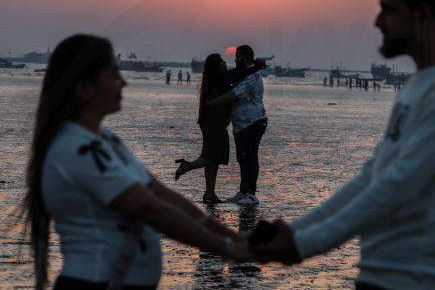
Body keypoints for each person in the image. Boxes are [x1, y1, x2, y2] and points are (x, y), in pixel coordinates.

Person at [248, 0, 435, 290]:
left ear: (421, 14)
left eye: (389, 10)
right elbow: (372, 176)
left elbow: (397, 185)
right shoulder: (419, 84)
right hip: (380, 276)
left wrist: (304, 246)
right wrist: (296, 230)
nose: (378, 21)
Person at [21, 34, 252, 290]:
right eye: (113, 75)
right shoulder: (78, 148)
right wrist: (231, 249)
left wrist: (237, 240)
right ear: (84, 87)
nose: (123, 82)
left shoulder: (107, 141)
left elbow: (165, 196)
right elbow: (152, 209)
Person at [174, 53, 266, 203]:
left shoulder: (216, 78)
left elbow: (237, 73)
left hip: (212, 123)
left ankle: (210, 193)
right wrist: (255, 66)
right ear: (216, 66)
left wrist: (253, 65)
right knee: (212, 157)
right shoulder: (220, 78)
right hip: (214, 124)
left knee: (213, 157)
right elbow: (238, 74)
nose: (225, 63)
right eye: (222, 61)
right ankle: (188, 166)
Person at [208, 45, 267, 206]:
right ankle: (243, 192)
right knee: (242, 158)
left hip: (253, 122)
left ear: (247, 58)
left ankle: (251, 194)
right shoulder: (243, 73)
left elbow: (233, 95)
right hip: (242, 124)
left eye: (238, 56)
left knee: (250, 157)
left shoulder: (251, 77)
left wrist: (210, 103)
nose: (235, 60)